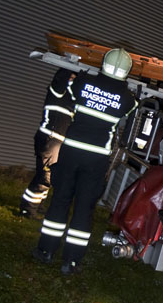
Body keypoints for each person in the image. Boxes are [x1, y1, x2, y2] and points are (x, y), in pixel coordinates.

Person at [32, 48, 138, 275]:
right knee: (83, 209)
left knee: (60, 200)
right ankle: (71, 262)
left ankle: (45, 251)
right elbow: (130, 117)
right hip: (97, 158)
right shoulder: (129, 100)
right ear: (127, 72)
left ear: (103, 63)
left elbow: (68, 96)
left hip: (70, 151)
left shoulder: (81, 83)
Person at [16, 68, 75, 219]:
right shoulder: (58, 90)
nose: (74, 80)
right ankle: (28, 210)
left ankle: (36, 204)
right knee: (45, 177)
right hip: (50, 140)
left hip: (53, 140)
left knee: (46, 174)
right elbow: (62, 79)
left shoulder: (69, 97)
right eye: (72, 77)